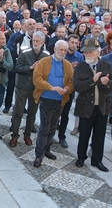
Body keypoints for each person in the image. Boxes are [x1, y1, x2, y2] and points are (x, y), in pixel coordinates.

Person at [74, 38, 112, 172]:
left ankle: (97, 160)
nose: (87, 55)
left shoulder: (106, 66)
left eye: (90, 52)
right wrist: (92, 81)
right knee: (84, 134)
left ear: (98, 52)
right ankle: (81, 157)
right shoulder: (80, 67)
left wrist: (106, 83)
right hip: (86, 106)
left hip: (102, 107)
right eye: (85, 52)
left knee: (99, 135)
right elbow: (77, 86)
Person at [32, 40, 74, 168]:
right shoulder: (44, 62)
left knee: (52, 127)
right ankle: (39, 154)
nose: (63, 52)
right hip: (46, 98)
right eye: (61, 50)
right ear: (55, 49)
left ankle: (47, 149)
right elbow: (37, 79)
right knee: (44, 127)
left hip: (60, 100)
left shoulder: (67, 65)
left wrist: (66, 89)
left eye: (65, 50)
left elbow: (71, 81)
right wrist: (51, 87)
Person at [9, 32, 50, 147]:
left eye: (37, 41)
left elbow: (48, 72)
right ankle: (14, 135)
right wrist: (30, 67)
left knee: (32, 112)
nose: (35, 43)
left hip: (36, 88)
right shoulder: (25, 52)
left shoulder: (46, 55)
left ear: (43, 42)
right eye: (34, 41)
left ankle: (27, 134)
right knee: (18, 111)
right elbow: (17, 68)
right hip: (23, 86)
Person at [57, 34, 84, 148]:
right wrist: (69, 68)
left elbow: (83, 72)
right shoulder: (62, 54)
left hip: (70, 88)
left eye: (75, 43)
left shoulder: (80, 57)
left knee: (65, 113)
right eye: (71, 42)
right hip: (58, 87)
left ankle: (62, 136)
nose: (73, 45)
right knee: (54, 112)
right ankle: (48, 134)